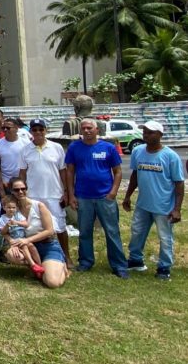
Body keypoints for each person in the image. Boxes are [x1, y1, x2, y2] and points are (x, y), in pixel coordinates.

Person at [66, 118, 127, 278]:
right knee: (85, 231)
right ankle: (86, 261)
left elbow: (118, 171)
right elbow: (70, 172)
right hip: (83, 197)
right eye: (84, 128)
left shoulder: (108, 147)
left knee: (112, 231)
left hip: (104, 196)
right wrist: (71, 195)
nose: (86, 131)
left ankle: (119, 265)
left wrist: (113, 192)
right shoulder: (74, 148)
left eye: (89, 128)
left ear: (96, 130)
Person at [123, 120, 184, 281]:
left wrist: (177, 208)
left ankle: (164, 267)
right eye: (145, 132)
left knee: (165, 237)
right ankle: (136, 260)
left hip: (163, 206)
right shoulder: (138, 151)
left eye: (150, 132)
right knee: (137, 232)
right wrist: (128, 196)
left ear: (160, 135)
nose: (146, 135)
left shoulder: (170, 156)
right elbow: (135, 175)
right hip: (143, 204)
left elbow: (179, 183)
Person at [19, 118, 71, 260]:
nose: (38, 132)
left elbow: (63, 171)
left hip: (54, 194)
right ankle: (38, 257)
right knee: (35, 227)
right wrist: (21, 194)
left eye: (41, 129)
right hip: (34, 195)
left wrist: (66, 192)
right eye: (35, 130)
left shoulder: (57, 147)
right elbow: (22, 173)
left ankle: (66, 256)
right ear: (30, 132)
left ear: (45, 130)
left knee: (59, 227)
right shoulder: (25, 150)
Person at [4, 178, 69, 288]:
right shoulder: (13, 209)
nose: (20, 192)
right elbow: (4, 231)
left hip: (48, 245)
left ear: (27, 189)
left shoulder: (39, 206)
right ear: (12, 191)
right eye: (16, 190)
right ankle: (36, 267)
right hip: (28, 247)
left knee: (52, 283)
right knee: (12, 254)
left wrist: (27, 240)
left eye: (23, 189)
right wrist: (12, 242)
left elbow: (49, 231)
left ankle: (62, 267)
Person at [0, 193, 44, 279]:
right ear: (4, 208)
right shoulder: (2, 219)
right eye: (9, 207)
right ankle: (33, 265)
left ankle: (39, 266)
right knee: (24, 246)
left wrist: (17, 222)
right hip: (13, 241)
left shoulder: (18, 215)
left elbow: (26, 224)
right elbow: (2, 232)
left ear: (17, 208)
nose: (11, 210)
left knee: (32, 247)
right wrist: (7, 226)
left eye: (13, 208)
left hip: (23, 239)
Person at [0, 117, 27, 196]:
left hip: (23, 182)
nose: (5, 130)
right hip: (6, 183)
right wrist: (1, 182)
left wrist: (24, 181)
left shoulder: (26, 143)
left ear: (16, 129)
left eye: (8, 128)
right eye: (3, 128)